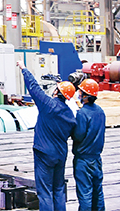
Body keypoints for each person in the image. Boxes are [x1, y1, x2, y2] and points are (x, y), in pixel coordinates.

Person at [17, 61, 77, 211]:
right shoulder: (70, 115)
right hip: (60, 155)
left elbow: (34, 88)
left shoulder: (47, 105)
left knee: (45, 192)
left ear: (56, 92)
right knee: (59, 189)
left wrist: (24, 69)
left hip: (44, 154)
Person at [72, 78, 106, 211]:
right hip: (96, 158)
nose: (79, 94)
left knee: (85, 193)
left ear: (85, 95)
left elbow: (78, 135)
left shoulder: (82, 114)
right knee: (98, 192)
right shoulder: (100, 111)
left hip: (83, 160)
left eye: (81, 92)